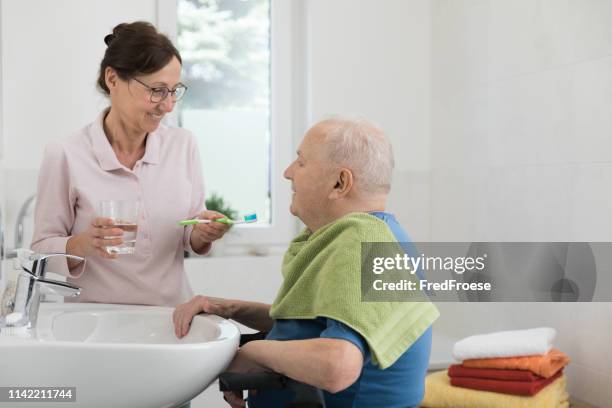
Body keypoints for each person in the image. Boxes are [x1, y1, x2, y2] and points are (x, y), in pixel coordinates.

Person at [173, 117, 440, 407]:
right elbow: (316, 325)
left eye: (301, 162)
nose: (288, 173)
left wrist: (253, 354)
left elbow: (337, 365)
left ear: (340, 183)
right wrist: (230, 308)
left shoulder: (363, 243)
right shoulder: (375, 237)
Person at [31, 21, 229, 306]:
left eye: (174, 90)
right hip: (94, 326)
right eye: (157, 90)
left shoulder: (183, 145)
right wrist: (84, 244)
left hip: (170, 318)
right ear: (113, 79)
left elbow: (189, 231)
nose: (168, 105)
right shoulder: (65, 153)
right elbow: (40, 252)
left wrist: (202, 231)